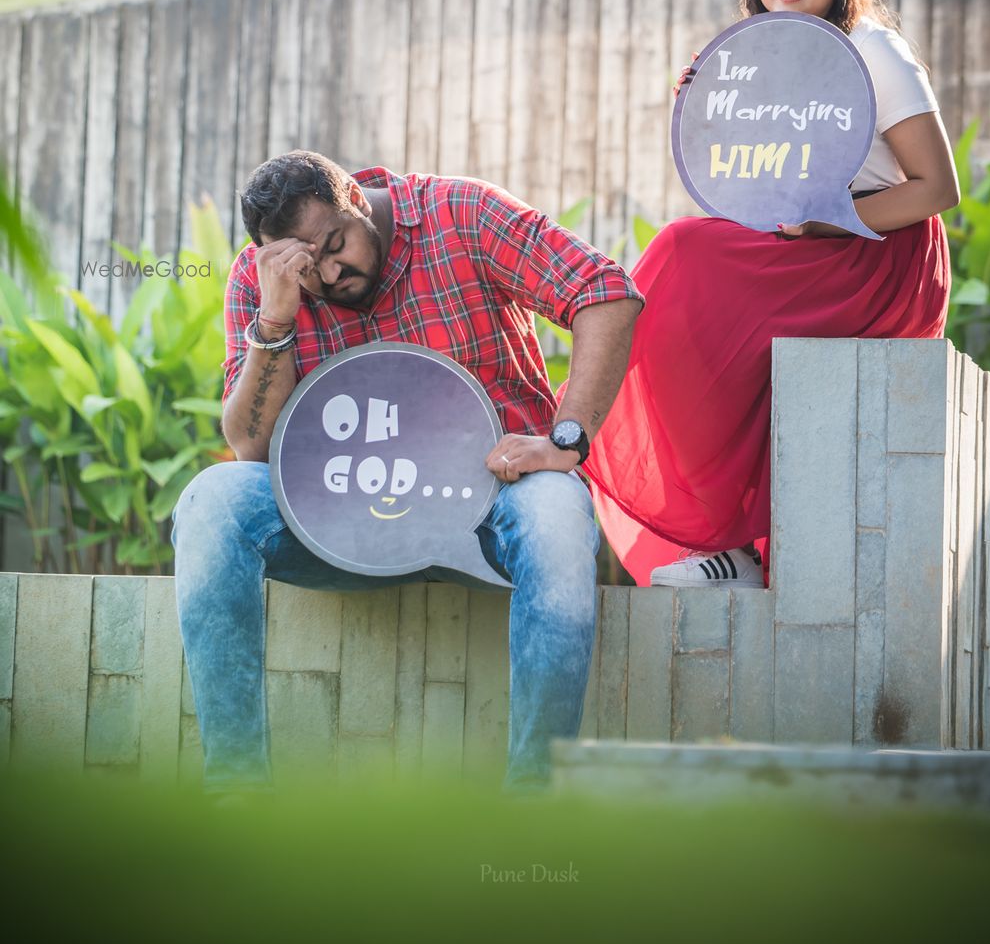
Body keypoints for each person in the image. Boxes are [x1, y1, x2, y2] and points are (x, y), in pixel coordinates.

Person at [172, 151, 643, 792]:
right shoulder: (263, 282)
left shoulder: (461, 214)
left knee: (559, 516)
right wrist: (277, 316)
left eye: (337, 244)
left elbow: (605, 290)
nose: (331, 272)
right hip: (338, 516)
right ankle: (235, 799)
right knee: (213, 500)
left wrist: (567, 439)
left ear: (359, 200)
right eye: (310, 265)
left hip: (494, 494)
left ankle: (537, 805)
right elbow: (251, 446)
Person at [585, 0, 959, 589]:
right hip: (803, 244)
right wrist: (705, 107)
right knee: (676, 266)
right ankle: (731, 543)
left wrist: (831, 219)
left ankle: (733, 544)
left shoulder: (874, 49)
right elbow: (752, 189)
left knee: (683, 256)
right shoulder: (753, 58)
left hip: (878, 250)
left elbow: (937, 190)